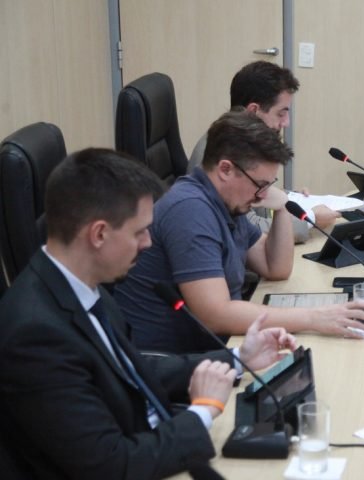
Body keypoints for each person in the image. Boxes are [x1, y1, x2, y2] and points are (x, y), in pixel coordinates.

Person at [0, 148, 297, 478]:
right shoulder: (35, 335)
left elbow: (134, 370)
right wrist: (202, 412)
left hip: (152, 438)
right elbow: (111, 466)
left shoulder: (82, 285)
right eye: (139, 232)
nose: (148, 243)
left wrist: (238, 359)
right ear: (99, 234)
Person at [114, 110, 364, 354]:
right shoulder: (190, 209)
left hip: (217, 349)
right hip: (176, 363)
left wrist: (282, 207)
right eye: (259, 184)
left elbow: (275, 267)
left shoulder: (227, 200)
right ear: (225, 169)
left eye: (268, 184)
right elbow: (215, 315)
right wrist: (313, 318)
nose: (262, 194)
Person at [188, 61, 340, 243]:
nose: (286, 123)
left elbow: (255, 204)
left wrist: (289, 198)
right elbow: (249, 230)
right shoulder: (218, 153)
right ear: (253, 111)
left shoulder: (244, 144)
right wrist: (310, 219)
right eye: (281, 113)